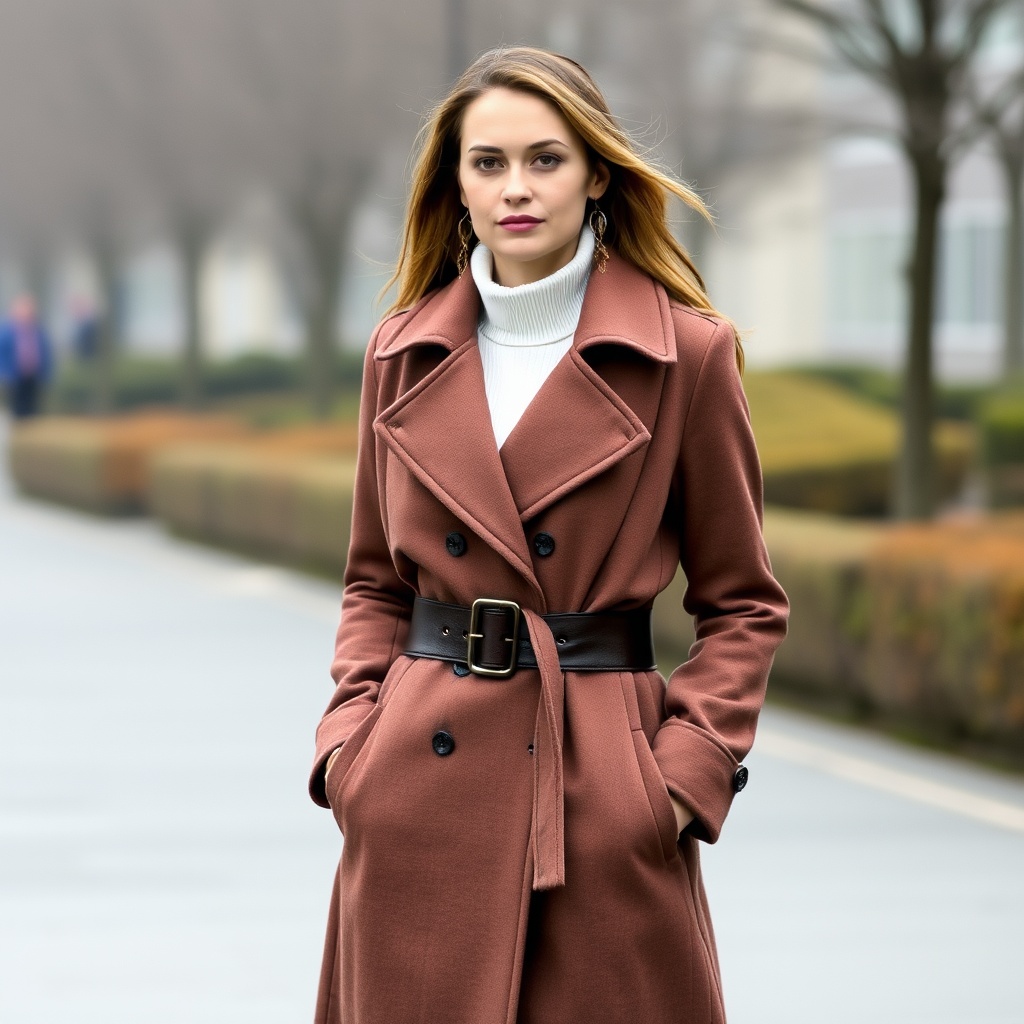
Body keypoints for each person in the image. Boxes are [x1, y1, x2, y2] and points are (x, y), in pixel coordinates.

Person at [309, 47, 789, 1024]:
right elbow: (373, 582)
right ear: (456, 183)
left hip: (600, 798)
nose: (515, 188)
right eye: (487, 163)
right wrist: (350, 748)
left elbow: (742, 601)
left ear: (596, 173)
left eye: (545, 159)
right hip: (414, 794)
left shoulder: (683, 353)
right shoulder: (401, 352)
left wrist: (679, 778)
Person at [0, 294, 54, 418]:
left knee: (32, 410)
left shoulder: (38, 331)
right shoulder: (6, 332)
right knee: (15, 410)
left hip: (33, 377)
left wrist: (46, 374)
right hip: (13, 377)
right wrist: (4, 373)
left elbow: (46, 354)